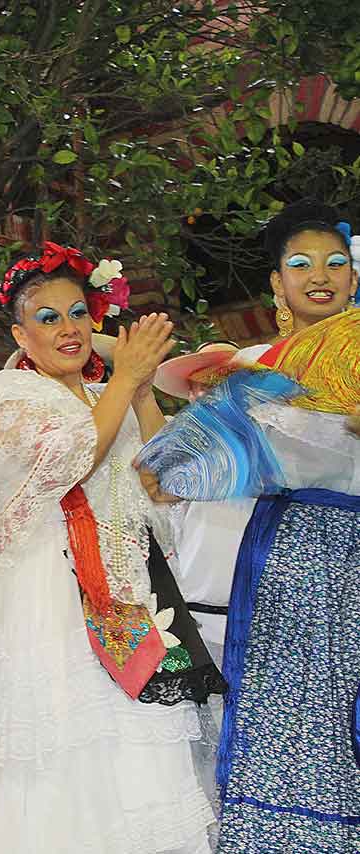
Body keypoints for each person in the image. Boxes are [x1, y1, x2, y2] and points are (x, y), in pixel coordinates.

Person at [0, 243, 220, 853]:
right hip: (51, 594)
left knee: (139, 746)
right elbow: (75, 458)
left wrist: (142, 392)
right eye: (47, 318)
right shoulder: (7, 395)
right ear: (21, 334)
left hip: (129, 590)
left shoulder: (106, 395)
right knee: (70, 751)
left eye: (78, 313)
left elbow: (169, 484)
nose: (68, 329)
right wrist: (124, 377)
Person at [140, 201, 360, 854]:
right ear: (277, 283)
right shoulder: (254, 371)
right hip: (291, 559)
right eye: (300, 264)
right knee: (294, 722)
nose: (319, 276)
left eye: (334, 264)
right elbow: (168, 473)